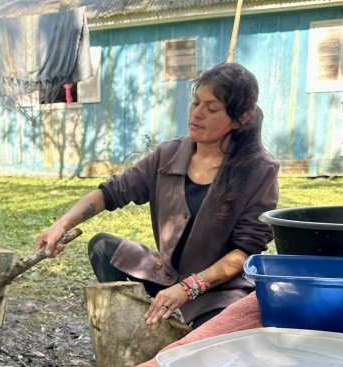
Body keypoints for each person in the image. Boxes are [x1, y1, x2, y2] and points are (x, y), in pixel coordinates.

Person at [35, 62, 279, 330]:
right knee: (103, 247)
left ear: (240, 119)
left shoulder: (258, 170)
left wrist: (188, 289)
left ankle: (186, 329)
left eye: (211, 109)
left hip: (218, 292)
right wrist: (61, 224)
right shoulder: (169, 155)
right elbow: (110, 192)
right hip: (167, 274)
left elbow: (244, 252)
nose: (196, 114)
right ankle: (134, 329)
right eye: (195, 103)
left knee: (207, 345)